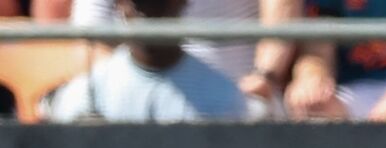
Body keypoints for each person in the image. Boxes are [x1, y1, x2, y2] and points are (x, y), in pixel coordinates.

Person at [44, 0, 249, 122]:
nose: (149, 10)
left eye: (159, 1)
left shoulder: (227, 101)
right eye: (140, 1)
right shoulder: (84, 99)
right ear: (119, 3)